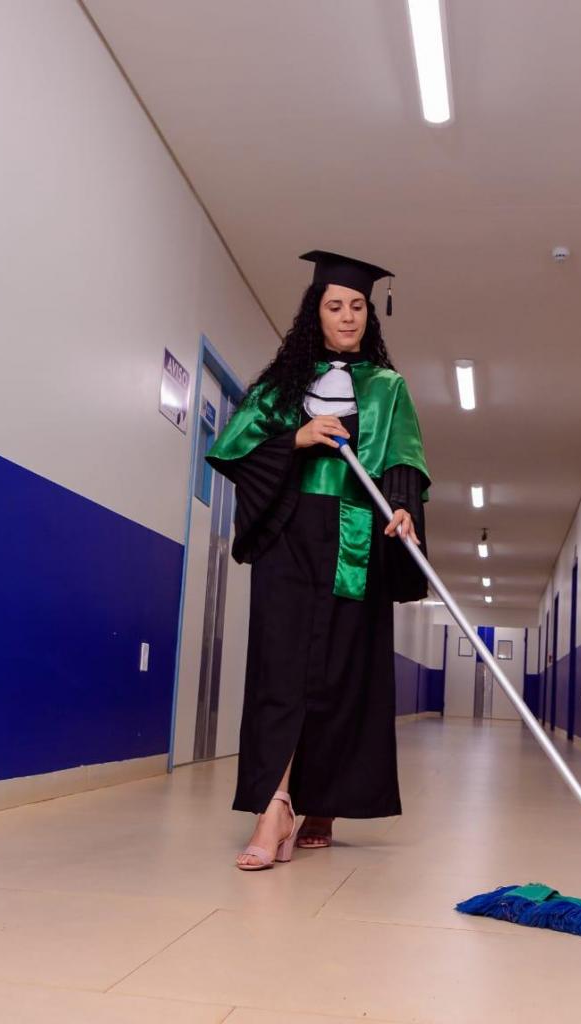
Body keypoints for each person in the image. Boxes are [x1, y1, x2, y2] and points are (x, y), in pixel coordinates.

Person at [206, 250, 430, 870]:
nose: (349, 316)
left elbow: (405, 460)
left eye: (358, 306)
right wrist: (297, 438)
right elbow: (233, 451)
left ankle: (323, 803)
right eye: (336, 306)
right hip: (290, 534)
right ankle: (273, 805)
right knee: (282, 668)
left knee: (341, 674)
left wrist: (405, 508)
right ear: (316, 313)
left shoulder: (388, 388)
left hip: (358, 535)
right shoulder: (283, 384)